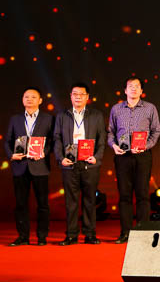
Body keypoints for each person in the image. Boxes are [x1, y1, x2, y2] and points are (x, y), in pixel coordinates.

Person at [107, 76, 160, 244]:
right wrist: (113, 145)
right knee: (124, 195)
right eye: (130, 86)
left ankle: (143, 233)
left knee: (142, 195)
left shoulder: (150, 108)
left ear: (141, 90)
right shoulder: (116, 109)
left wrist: (146, 146)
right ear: (125, 90)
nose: (133, 89)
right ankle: (125, 232)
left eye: (137, 86)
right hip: (122, 156)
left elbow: (156, 131)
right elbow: (110, 132)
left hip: (142, 156)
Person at [53, 83, 106, 245]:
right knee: (71, 201)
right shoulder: (62, 116)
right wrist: (61, 158)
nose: (78, 97)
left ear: (87, 97)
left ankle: (90, 234)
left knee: (90, 200)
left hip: (89, 163)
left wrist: (97, 157)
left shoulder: (96, 115)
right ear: (70, 96)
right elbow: (57, 138)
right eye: (75, 94)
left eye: (81, 94)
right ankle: (71, 235)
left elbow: (102, 139)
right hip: (69, 163)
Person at [4, 87, 54, 246]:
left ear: (40, 100)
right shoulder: (15, 119)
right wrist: (11, 155)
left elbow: (53, 141)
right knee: (21, 204)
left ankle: (42, 237)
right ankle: (23, 237)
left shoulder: (48, 119)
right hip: (20, 166)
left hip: (40, 166)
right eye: (26, 97)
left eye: (33, 97)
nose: (30, 99)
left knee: (43, 204)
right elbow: (7, 141)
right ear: (22, 100)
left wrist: (44, 153)